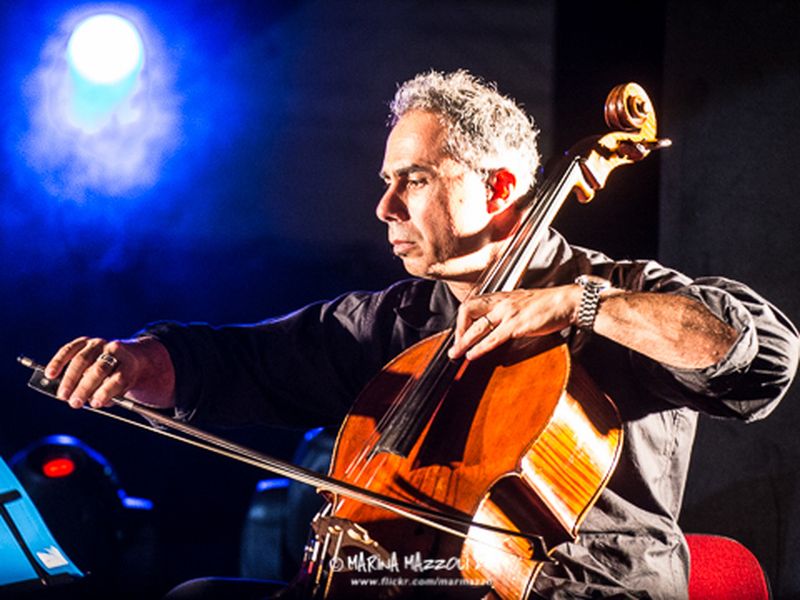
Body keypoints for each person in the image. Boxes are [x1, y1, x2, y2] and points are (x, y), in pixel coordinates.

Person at [44, 70, 798, 599]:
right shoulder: (401, 322)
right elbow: (251, 360)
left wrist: (581, 306)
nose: (385, 209)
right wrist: (139, 360)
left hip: (579, 587)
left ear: (498, 187)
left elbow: (761, 355)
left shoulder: (625, 290)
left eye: (413, 179)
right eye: (385, 182)